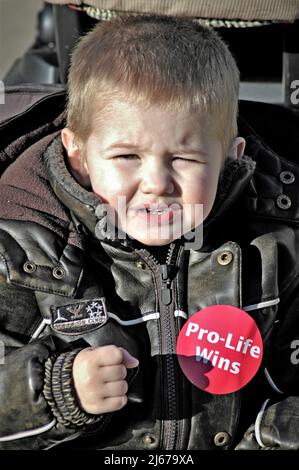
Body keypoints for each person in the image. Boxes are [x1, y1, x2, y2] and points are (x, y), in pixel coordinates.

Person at [0, 13, 299, 451]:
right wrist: (56, 392)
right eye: (126, 156)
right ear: (79, 155)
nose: (157, 182)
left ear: (230, 160)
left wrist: (266, 436)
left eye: (185, 159)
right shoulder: (23, 251)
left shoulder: (276, 247)